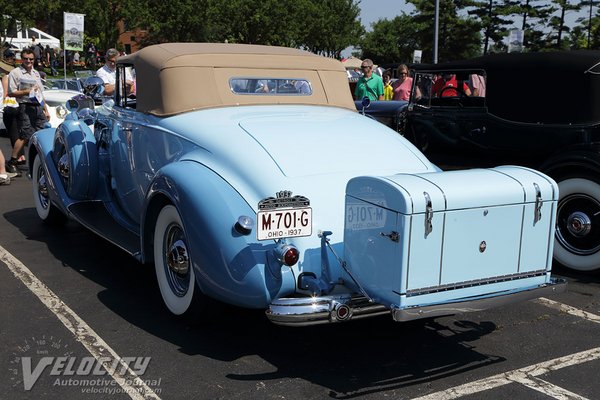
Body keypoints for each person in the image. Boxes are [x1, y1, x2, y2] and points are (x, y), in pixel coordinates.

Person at [5, 47, 50, 175]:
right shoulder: (15, 73)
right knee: (25, 135)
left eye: (31, 59)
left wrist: (46, 110)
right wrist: (27, 91)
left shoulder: (36, 73)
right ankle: (12, 161)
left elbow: (40, 94)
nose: (28, 61)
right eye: (25, 59)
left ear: (34, 59)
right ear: (21, 59)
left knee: (42, 132)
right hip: (25, 106)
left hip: (38, 107)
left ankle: (40, 159)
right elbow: (11, 93)